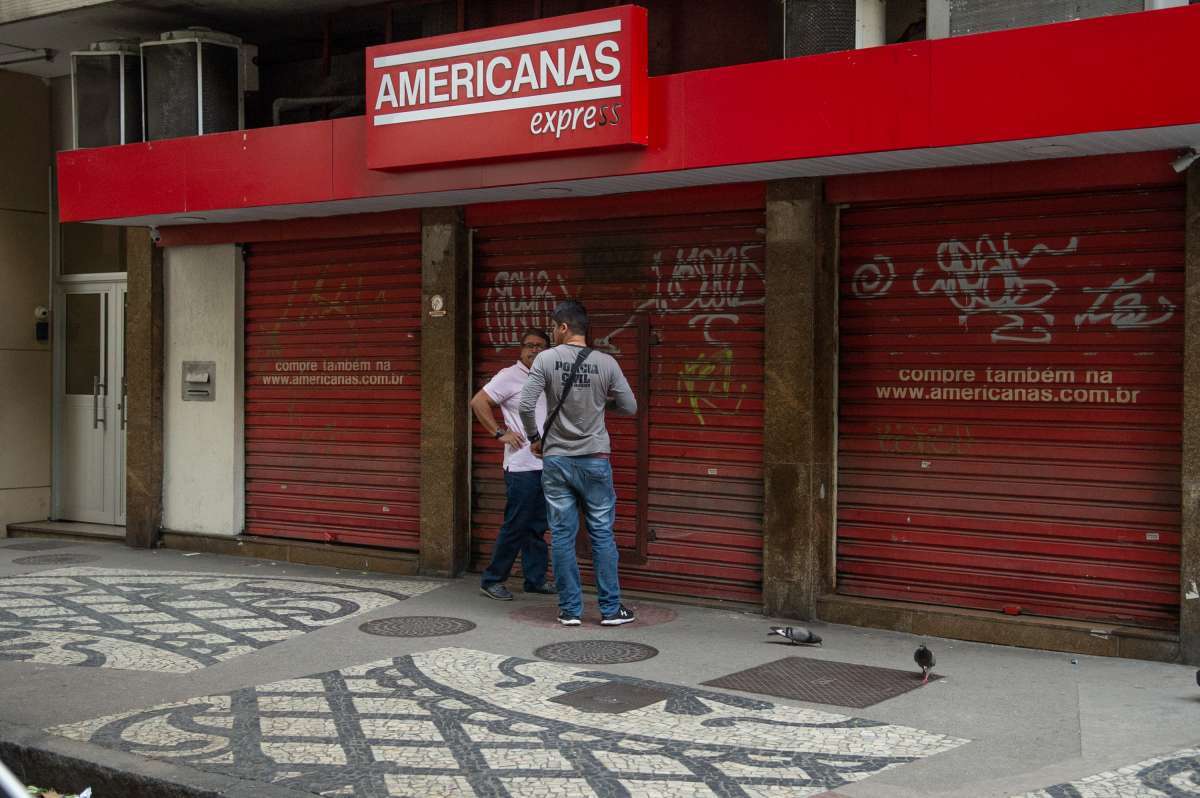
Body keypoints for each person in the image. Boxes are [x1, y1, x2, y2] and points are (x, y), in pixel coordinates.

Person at [518, 300, 638, 626]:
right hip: (595, 459)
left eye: (554, 327)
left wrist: (534, 438)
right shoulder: (606, 363)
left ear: (563, 328)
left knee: (561, 535)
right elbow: (629, 407)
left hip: (557, 460)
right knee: (601, 534)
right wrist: (601, 405)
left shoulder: (546, 359)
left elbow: (526, 405)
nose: (554, 332)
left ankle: (570, 610)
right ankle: (611, 610)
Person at [469, 329, 557, 600]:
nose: (534, 351)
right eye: (529, 346)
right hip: (521, 466)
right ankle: (493, 579)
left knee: (537, 526)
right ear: (521, 349)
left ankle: (535, 579)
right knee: (516, 524)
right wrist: (499, 432)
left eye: (540, 346)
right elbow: (478, 402)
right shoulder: (510, 375)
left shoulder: (547, 378)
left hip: (546, 464)